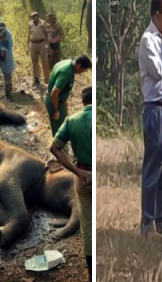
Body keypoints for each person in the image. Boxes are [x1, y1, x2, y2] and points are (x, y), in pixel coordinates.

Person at [138, 0, 162, 236]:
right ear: (157, 15)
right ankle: (147, 221)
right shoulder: (148, 40)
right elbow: (160, 71)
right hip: (154, 108)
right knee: (153, 165)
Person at [50, 87, 93, 281]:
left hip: (83, 177)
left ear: (83, 102)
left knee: (87, 225)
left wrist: (78, 172)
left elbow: (54, 147)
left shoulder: (71, 120)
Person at [45, 55, 92, 136]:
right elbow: (54, 92)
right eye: (83, 70)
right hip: (55, 101)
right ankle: (58, 143)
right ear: (79, 65)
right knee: (59, 128)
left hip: (57, 99)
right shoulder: (67, 73)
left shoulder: (66, 62)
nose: (82, 72)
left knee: (63, 124)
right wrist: (56, 110)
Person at [28, 11, 50, 85]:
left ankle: (47, 78)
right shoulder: (30, 24)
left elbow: (48, 33)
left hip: (42, 43)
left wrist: (47, 43)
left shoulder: (43, 23)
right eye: (34, 17)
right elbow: (29, 35)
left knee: (45, 61)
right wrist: (28, 46)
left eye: (37, 16)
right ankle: (36, 77)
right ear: (32, 18)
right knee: (34, 62)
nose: (36, 18)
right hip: (33, 44)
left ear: (38, 16)